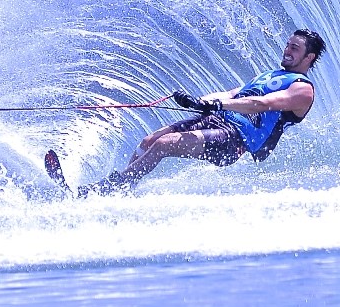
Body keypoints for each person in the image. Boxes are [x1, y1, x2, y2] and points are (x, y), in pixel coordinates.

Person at [45, 28, 325, 197]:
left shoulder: (302, 90)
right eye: (288, 45)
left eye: (295, 48)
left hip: (237, 139)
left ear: (308, 58)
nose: (287, 50)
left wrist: (217, 106)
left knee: (164, 145)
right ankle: (120, 192)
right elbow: (232, 94)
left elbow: (260, 105)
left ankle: (104, 192)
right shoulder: (271, 73)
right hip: (219, 120)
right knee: (148, 142)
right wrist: (197, 101)